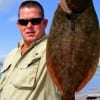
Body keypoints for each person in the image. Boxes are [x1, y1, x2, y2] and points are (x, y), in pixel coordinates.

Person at [0, 1, 61, 100]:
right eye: (23, 22)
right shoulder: (11, 54)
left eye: (35, 21)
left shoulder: (54, 49)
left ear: (44, 23)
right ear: (18, 25)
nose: (29, 26)